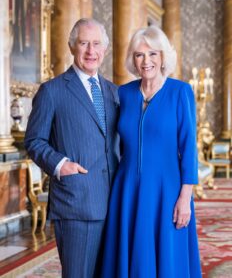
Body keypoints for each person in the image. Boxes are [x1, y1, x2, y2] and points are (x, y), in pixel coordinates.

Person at [101, 25, 202, 278]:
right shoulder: (123, 93)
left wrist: (184, 198)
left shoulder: (181, 92)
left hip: (166, 189)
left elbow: (189, 146)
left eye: (152, 54)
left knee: (167, 257)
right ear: (132, 60)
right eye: (139, 55)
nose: (146, 61)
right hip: (127, 190)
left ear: (163, 57)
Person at [24, 18, 120, 278]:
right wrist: (59, 165)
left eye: (97, 44)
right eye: (84, 43)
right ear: (71, 46)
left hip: (116, 203)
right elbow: (33, 140)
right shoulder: (52, 91)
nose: (91, 51)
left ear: (105, 50)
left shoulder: (114, 92)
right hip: (76, 203)